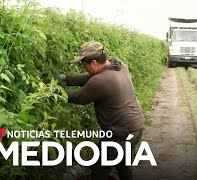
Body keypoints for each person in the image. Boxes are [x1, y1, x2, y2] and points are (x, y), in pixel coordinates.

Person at [59, 41, 144, 180]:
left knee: (99, 172)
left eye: (83, 65)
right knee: (122, 165)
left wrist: (54, 92)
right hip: (134, 129)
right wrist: (66, 79)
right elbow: (89, 78)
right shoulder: (119, 66)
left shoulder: (101, 81)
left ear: (93, 62)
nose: (83, 68)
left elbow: (79, 97)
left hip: (120, 135)